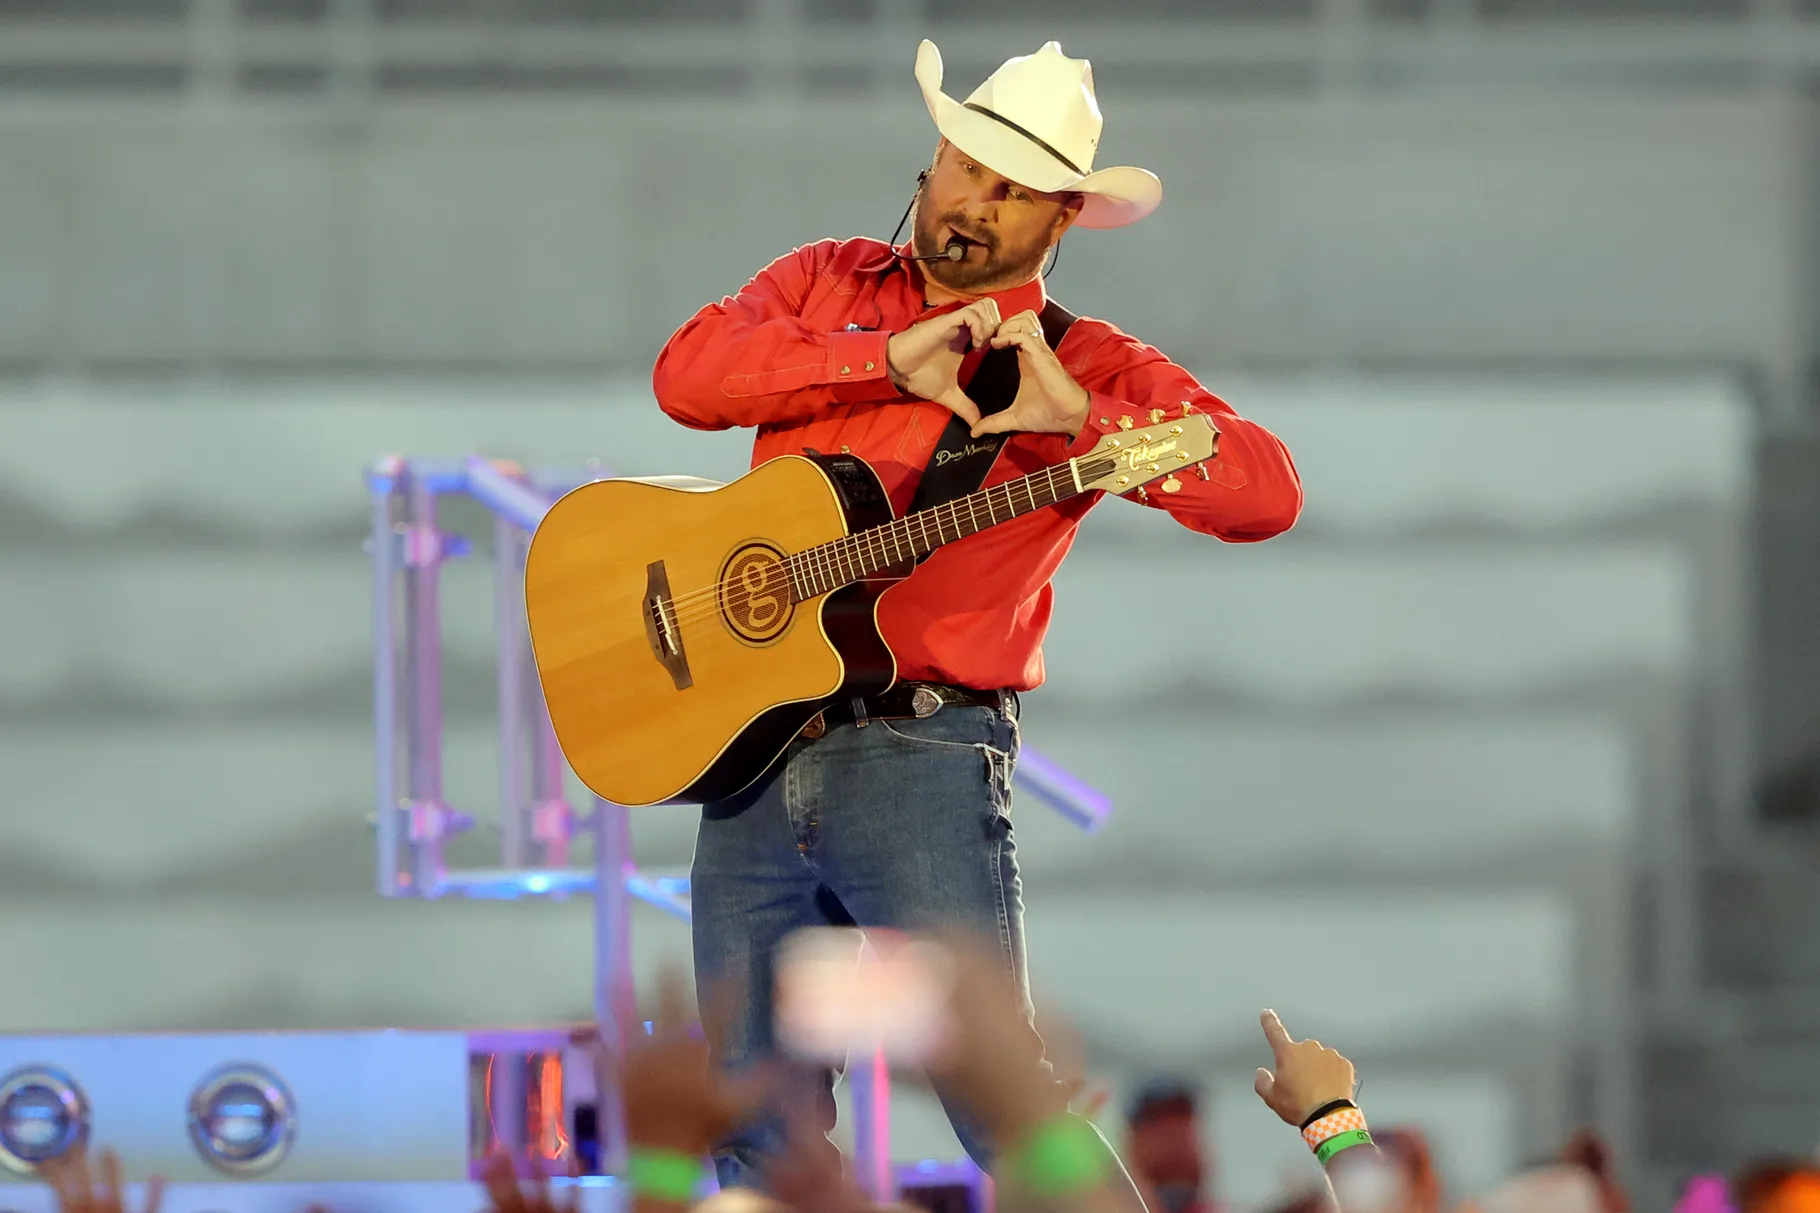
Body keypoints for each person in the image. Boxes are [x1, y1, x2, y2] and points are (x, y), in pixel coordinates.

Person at [651, 36, 1303, 1194]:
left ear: (1063, 219)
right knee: (750, 1123)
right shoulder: (824, 282)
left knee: (1006, 1109)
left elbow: (1262, 490)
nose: (975, 201)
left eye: (1014, 190)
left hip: (923, 751)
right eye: (966, 166)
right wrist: (879, 361)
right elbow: (688, 376)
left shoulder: (1083, 360)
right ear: (931, 160)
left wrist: (1081, 421)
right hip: (751, 742)